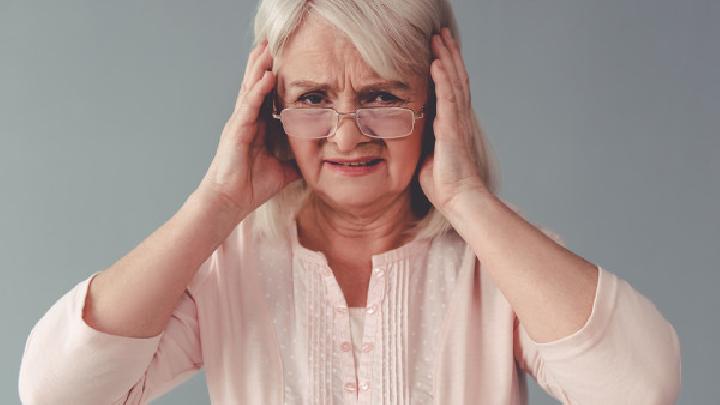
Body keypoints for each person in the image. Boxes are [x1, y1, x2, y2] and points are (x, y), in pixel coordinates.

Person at [18, 0, 681, 404]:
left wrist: (464, 196)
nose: (345, 133)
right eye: (312, 99)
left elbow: (639, 387)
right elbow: (57, 391)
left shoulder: (497, 264)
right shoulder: (230, 266)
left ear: (436, 101)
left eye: (381, 96)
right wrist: (216, 202)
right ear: (273, 109)